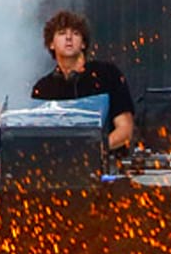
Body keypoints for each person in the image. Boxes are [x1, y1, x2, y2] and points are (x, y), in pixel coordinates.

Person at [31, 10, 135, 151]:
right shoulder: (43, 88)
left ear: (83, 44)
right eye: (62, 33)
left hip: (107, 163)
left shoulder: (108, 74)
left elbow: (125, 129)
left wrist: (94, 150)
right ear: (51, 44)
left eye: (75, 33)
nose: (68, 37)